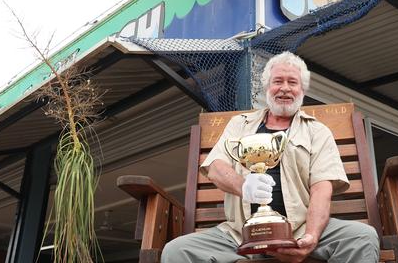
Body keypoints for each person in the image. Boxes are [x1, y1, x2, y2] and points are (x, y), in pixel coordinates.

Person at [162, 51, 379, 262]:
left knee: (362, 237)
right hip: (239, 233)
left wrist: (311, 237)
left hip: (299, 229)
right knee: (177, 251)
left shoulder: (317, 131)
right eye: (278, 81)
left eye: (292, 82)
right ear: (267, 88)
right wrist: (245, 185)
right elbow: (216, 167)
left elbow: (322, 188)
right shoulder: (240, 124)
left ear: (302, 89)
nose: (284, 88)